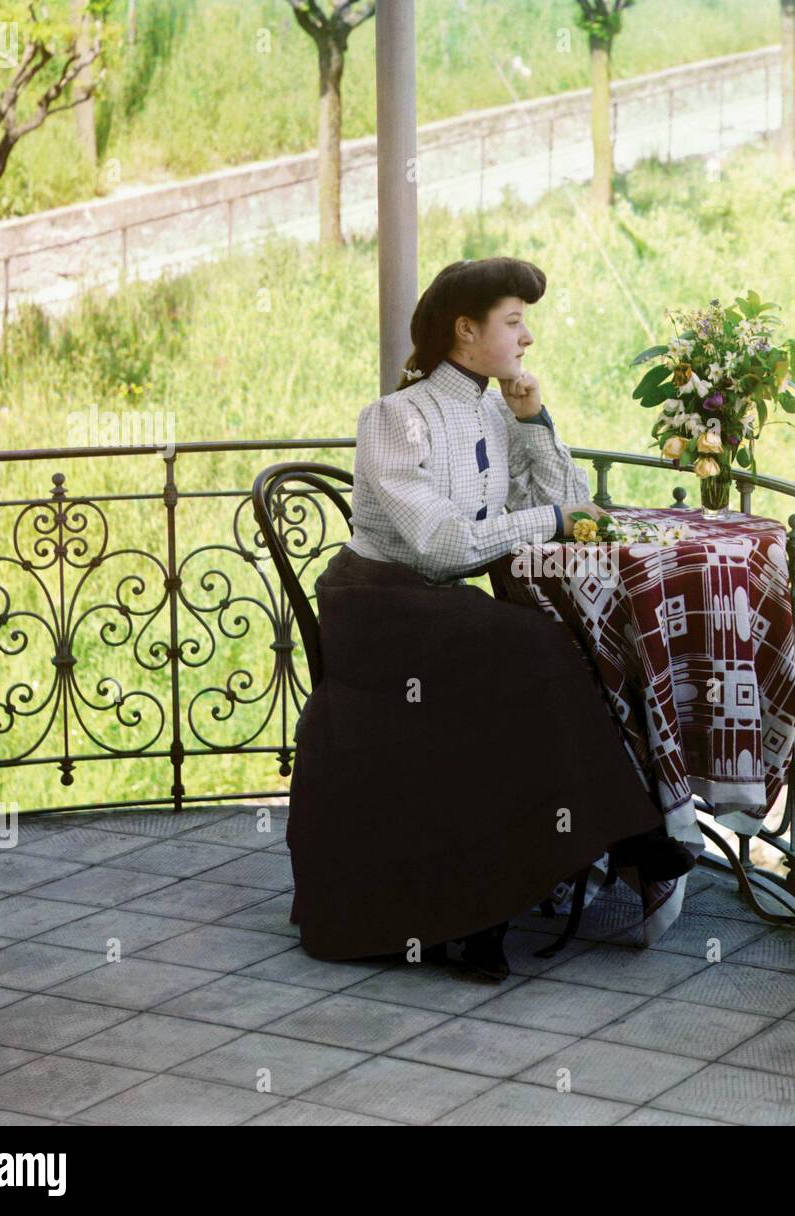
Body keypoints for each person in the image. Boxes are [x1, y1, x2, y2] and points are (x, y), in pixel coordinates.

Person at [285, 257, 695, 981]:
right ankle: (624, 832)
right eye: (513, 322)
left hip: (439, 609)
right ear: (465, 330)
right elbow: (443, 544)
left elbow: (569, 504)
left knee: (536, 654)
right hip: (375, 608)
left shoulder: (495, 412)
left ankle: (496, 908)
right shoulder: (396, 418)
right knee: (533, 647)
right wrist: (549, 517)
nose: (527, 337)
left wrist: (534, 422)